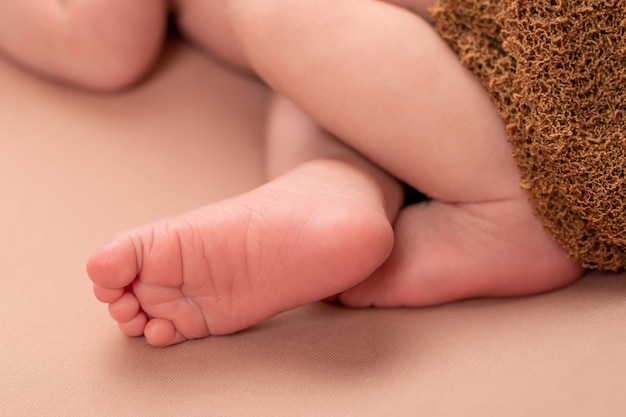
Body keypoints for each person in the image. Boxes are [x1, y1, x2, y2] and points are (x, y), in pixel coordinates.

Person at [0, 0, 583, 347]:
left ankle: (505, 205)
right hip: (445, 75)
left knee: (273, 8)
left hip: (553, 60)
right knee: (314, 91)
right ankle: (333, 189)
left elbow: (100, 44)